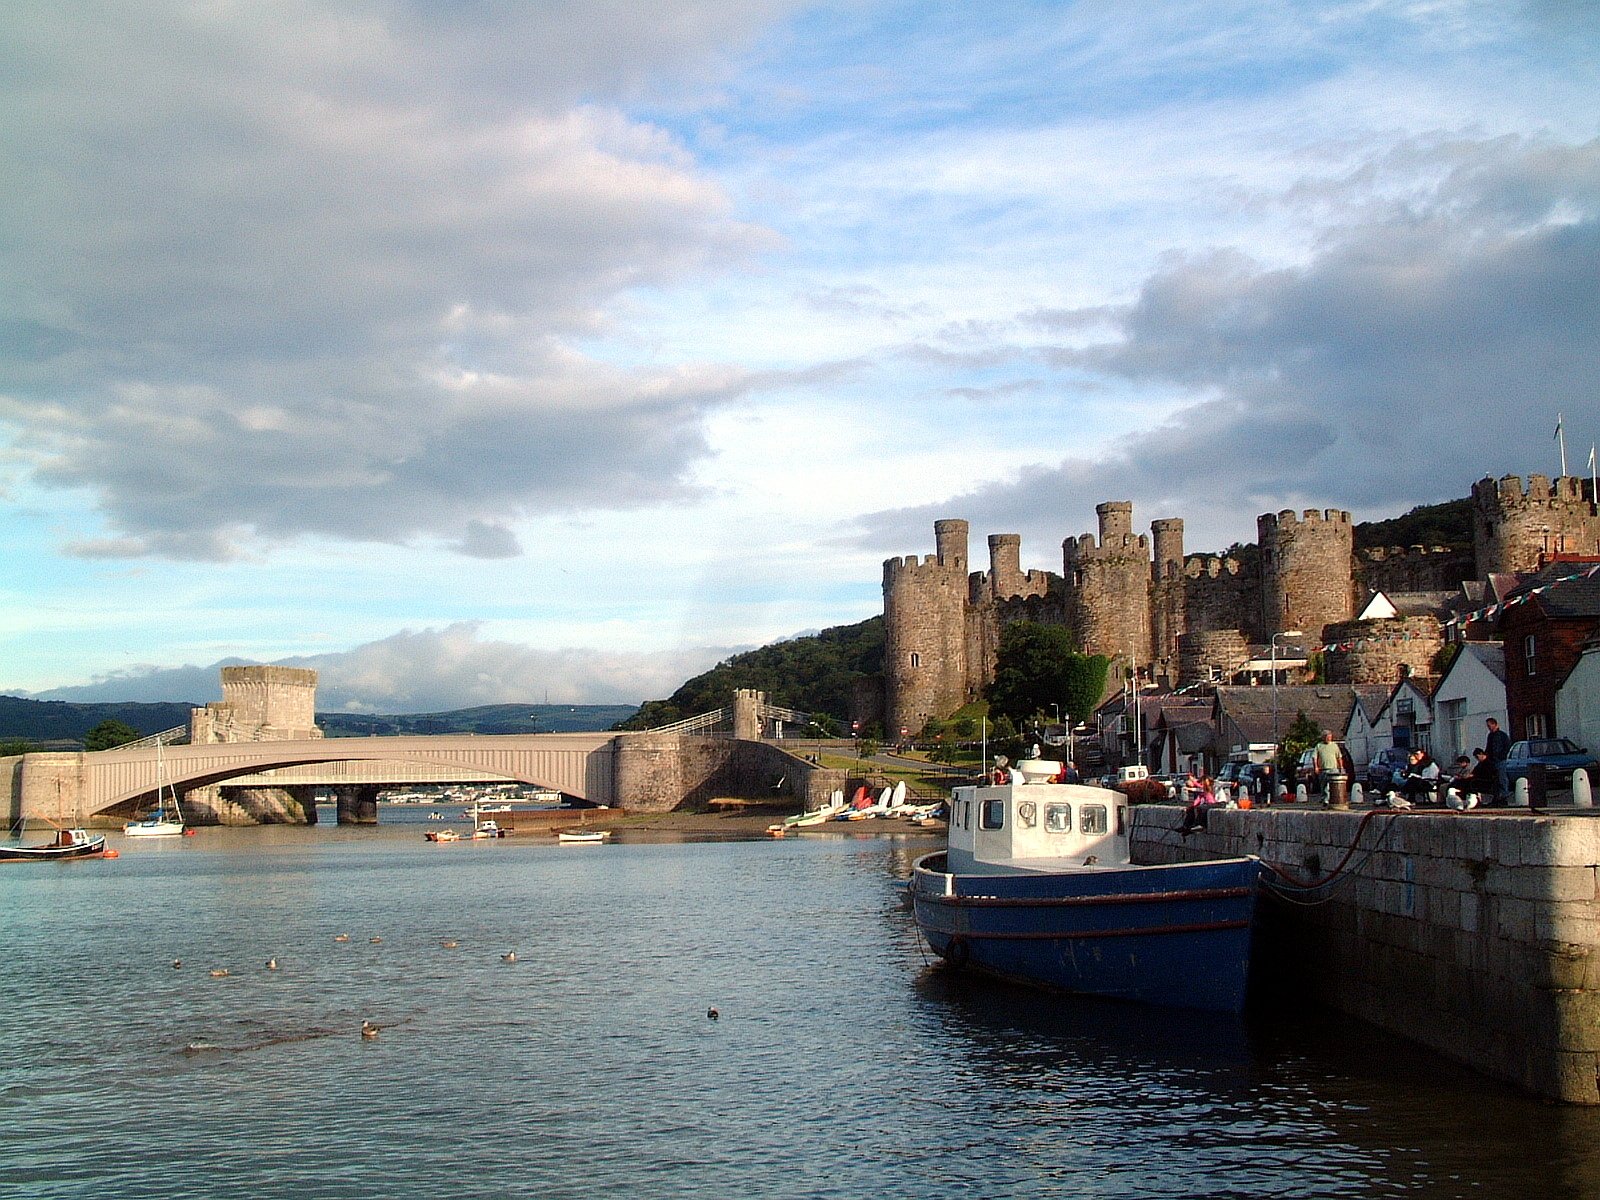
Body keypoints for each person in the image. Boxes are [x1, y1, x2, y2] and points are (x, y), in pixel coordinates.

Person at [1312, 731, 1345, 804]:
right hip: (1323, 769)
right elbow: (1314, 757)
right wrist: (1316, 767)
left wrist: (1341, 767)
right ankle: (1325, 799)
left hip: (1333, 769)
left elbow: (1339, 757)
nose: (1329, 739)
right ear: (1323, 737)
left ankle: (1334, 799)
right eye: (1327, 737)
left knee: (1333, 785)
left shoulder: (1334, 745)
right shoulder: (1319, 746)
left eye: (1330, 737)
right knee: (1324, 786)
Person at [1485, 717, 1511, 802]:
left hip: (1500, 760)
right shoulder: (1490, 736)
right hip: (1492, 760)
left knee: (1502, 778)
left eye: (1489, 725)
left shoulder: (1502, 735)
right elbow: (1488, 748)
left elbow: (1507, 747)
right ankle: (1497, 796)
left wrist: (1501, 756)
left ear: (1494, 724)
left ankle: (1504, 796)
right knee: (1495, 779)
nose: (1489, 728)